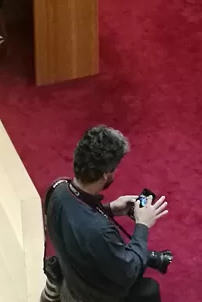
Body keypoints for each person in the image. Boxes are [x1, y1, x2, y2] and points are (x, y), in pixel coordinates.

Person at [42, 125, 170, 302]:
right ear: (105, 175)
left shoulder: (57, 188)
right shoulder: (100, 232)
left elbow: (76, 220)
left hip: (73, 276)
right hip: (89, 295)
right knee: (149, 290)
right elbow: (128, 272)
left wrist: (109, 209)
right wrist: (142, 225)